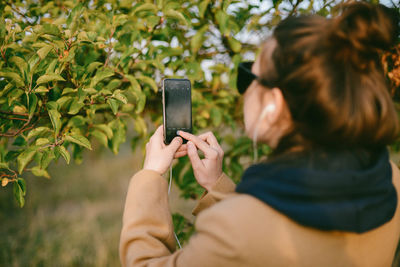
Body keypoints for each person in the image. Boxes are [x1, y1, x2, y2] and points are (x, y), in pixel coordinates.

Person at [119, 2, 400, 266]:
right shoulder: (391, 178)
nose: (243, 91)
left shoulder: (233, 231)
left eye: (247, 76)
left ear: (273, 104)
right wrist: (217, 186)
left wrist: (150, 177)